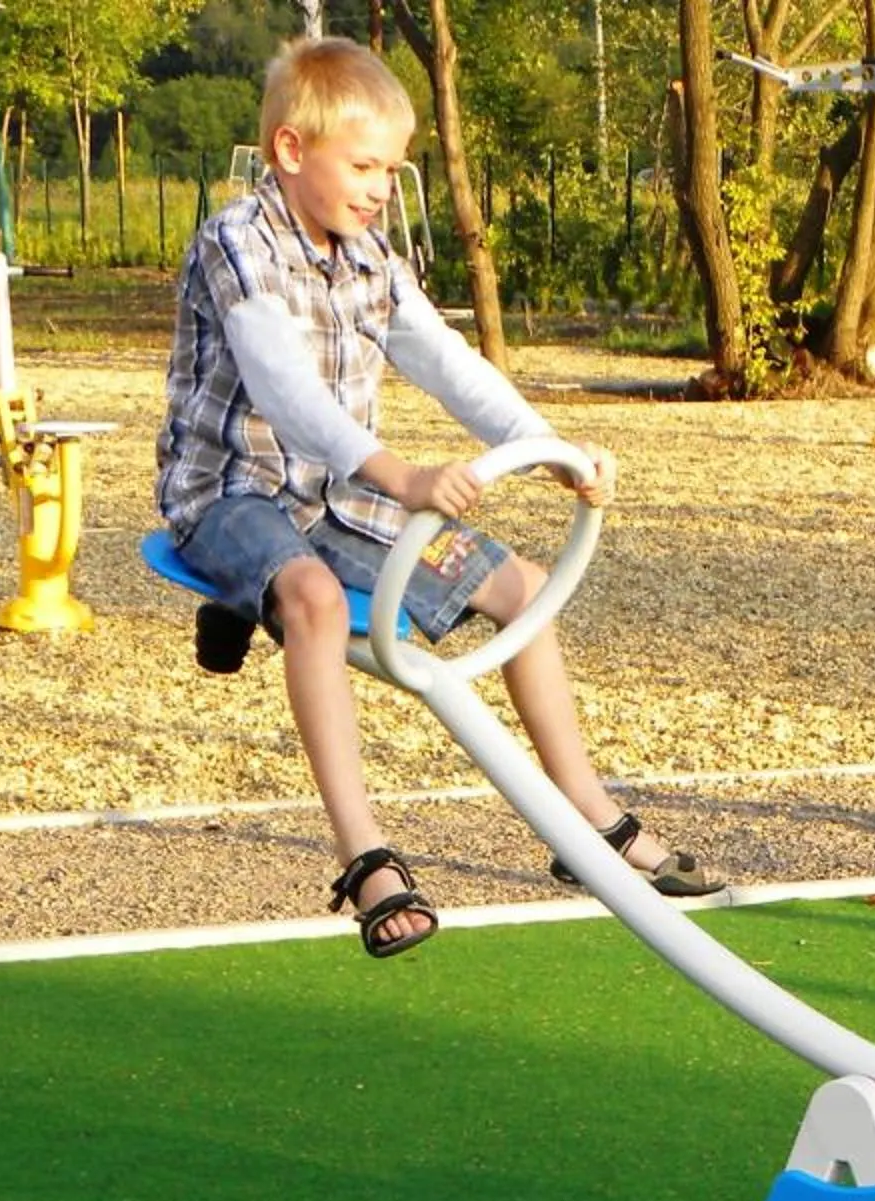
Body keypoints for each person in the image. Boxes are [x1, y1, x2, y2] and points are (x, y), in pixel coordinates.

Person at [157, 36, 718, 959]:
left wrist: (547, 450)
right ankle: (367, 857)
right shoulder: (237, 242)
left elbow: (448, 365)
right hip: (234, 490)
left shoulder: (370, 254)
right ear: (292, 153)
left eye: (393, 169)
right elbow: (287, 391)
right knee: (313, 600)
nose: (381, 187)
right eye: (364, 165)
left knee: (526, 589)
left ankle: (588, 822)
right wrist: (404, 478)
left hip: (338, 498)